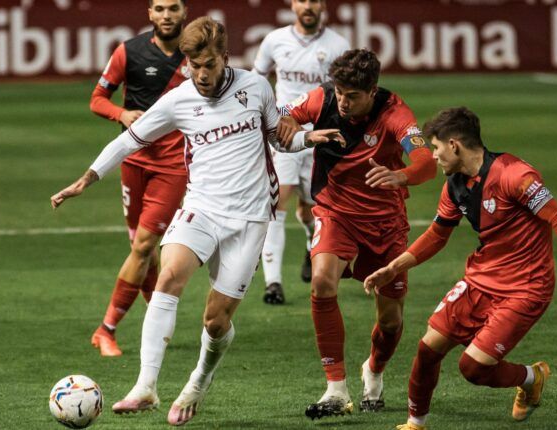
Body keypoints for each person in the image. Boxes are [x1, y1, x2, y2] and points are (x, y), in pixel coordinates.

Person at [51, 17, 340, 426]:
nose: (201, 74)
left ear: (224, 58)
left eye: (208, 64)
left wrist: (306, 137)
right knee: (168, 276)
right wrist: (87, 178)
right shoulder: (178, 100)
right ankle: (145, 387)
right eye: (193, 65)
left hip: (250, 217)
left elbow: (279, 136)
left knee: (216, 320)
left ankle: (198, 381)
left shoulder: (255, 87)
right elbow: (129, 140)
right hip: (201, 208)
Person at [363, 107, 557, 429]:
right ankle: (415, 424)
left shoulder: (515, 175)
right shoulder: (454, 185)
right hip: (480, 280)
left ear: (454, 145)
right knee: (427, 349)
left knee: (473, 369)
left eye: (436, 148)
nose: (433, 156)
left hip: (526, 288)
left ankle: (531, 376)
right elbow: (437, 235)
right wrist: (393, 268)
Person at [277, 48, 437, 418]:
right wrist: (296, 127)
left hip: (385, 224)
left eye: (353, 96)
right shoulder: (323, 98)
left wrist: (401, 175)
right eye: (340, 93)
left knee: (391, 320)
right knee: (321, 282)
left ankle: (374, 372)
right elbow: (284, 114)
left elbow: (426, 162)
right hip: (336, 213)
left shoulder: (396, 113)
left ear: (373, 90)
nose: (343, 102)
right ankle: (335, 389)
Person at [87, 0, 189, 357]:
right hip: (133, 161)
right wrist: (121, 113)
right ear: (150, 13)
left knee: (145, 246)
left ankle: (106, 329)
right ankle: (153, 317)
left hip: (174, 165)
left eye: (173, 8)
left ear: (184, 12)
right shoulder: (128, 52)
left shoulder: (197, 54)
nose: (166, 15)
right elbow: (98, 99)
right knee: (140, 248)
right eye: (159, 8)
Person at [253, 0, 350, 304]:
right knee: (278, 203)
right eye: (302, 0)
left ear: (323, 5)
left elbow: (347, 93)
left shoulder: (338, 45)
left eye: (315, 0)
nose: (308, 6)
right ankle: (273, 283)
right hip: (283, 134)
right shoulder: (274, 40)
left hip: (318, 138)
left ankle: (311, 240)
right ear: (292, 4)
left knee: (309, 208)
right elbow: (257, 79)